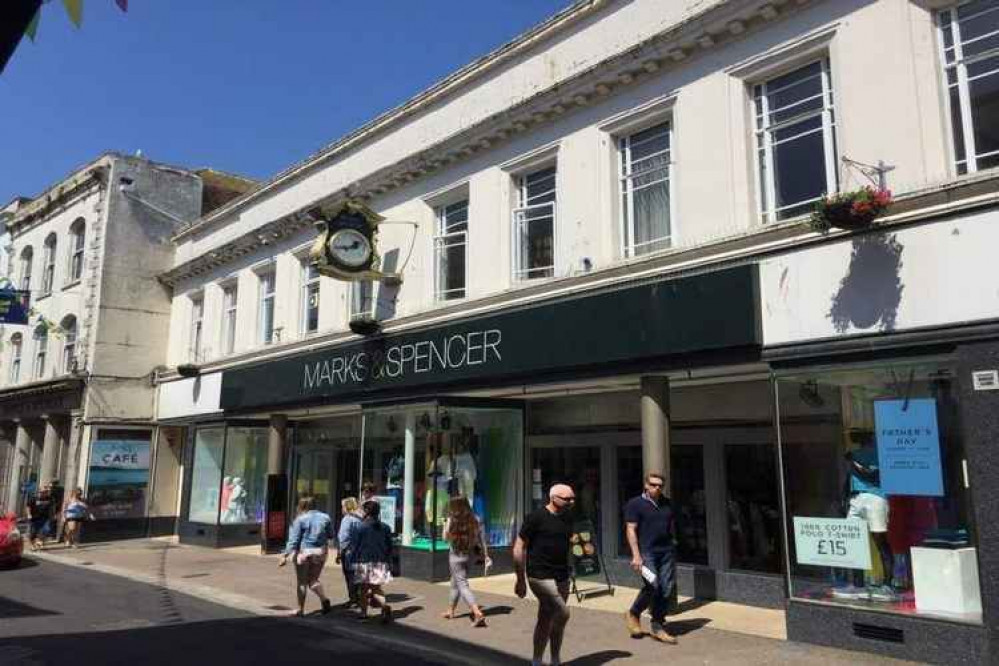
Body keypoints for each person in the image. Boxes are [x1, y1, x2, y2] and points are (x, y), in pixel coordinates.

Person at [514, 483, 575, 666]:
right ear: (553, 498)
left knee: (546, 618)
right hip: (539, 575)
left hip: (561, 575)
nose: (571, 502)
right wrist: (520, 579)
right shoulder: (536, 517)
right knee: (562, 613)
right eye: (567, 499)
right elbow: (519, 546)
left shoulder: (568, 518)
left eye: (573, 499)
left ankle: (546, 659)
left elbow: (571, 543)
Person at [623, 472, 678, 645]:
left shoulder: (667, 504)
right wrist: (636, 555)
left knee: (667, 588)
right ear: (646, 485)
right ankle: (634, 613)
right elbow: (631, 529)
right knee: (653, 584)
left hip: (667, 551)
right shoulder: (635, 504)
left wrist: (674, 542)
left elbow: (671, 526)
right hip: (646, 552)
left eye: (660, 485)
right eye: (653, 485)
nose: (657, 488)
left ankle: (658, 625)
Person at [278, 496, 335, 617]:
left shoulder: (300, 519)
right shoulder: (326, 517)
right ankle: (324, 599)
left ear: (302, 506)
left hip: (304, 553)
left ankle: (300, 609)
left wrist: (285, 555)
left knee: (302, 582)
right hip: (320, 552)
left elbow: (294, 540)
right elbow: (331, 535)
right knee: (313, 580)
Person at [442, 496, 488, 627]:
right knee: (455, 581)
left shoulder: (452, 520)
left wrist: (446, 526)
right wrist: (485, 555)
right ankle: (450, 610)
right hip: (469, 556)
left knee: (462, 584)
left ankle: (477, 612)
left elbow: (445, 538)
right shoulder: (476, 519)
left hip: (455, 555)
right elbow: (482, 540)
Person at [350, 499, 394, 623]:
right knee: (376, 588)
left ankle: (363, 613)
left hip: (364, 561)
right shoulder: (385, 527)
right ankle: (384, 607)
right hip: (380, 561)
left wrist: (352, 560)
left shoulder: (361, 527)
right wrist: (388, 560)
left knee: (363, 589)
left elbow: (356, 546)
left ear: (367, 511)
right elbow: (389, 546)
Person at [336, 496, 362, 608]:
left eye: (342, 506)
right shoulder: (360, 518)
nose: (341, 509)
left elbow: (343, 538)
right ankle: (359, 598)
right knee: (357, 576)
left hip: (349, 552)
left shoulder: (347, 519)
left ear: (347, 507)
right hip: (359, 550)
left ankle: (353, 599)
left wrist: (340, 552)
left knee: (350, 576)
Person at [26, 485, 54, 551]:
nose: (44, 493)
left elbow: (52, 507)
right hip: (34, 518)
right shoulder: (33, 498)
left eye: (45, 492)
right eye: (42, 492)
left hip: (45, 518)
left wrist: (52, 515)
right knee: (33, 533)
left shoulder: (50, 498)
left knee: (46, 530)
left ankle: (40, 542)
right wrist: (29, 514)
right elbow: (28, 507)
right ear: (39, 492)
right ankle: (32, 545)